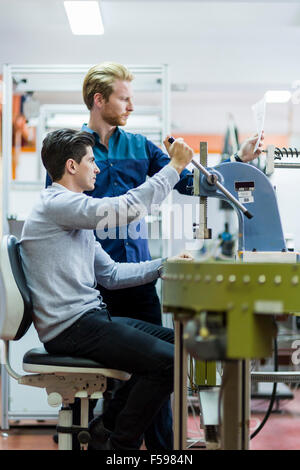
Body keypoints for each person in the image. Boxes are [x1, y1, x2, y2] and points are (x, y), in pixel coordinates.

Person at [46, 62, 264, 450]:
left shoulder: (139, 146)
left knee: (161, 372)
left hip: (134, 278)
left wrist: (238, 159)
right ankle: (113, 443)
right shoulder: (71, 154)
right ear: (100, 100)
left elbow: (193, 180)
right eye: (124, 98)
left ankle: (163, 451)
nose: (131, 106)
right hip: (94, 286)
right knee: (115, 381)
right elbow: (85, 211)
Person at [20, 128, 194, 451]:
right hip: (72, 327)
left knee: (181, 346)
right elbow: (124, 209)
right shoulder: (57, 203)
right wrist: (174, 168)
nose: (97, 168)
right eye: (91, 161)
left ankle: (106, 429)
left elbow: (111, 274)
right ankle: (118, 445)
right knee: (170, 362)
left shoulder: (72, 211)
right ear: (72, 166)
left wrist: (164, 265)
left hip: (90, 320)